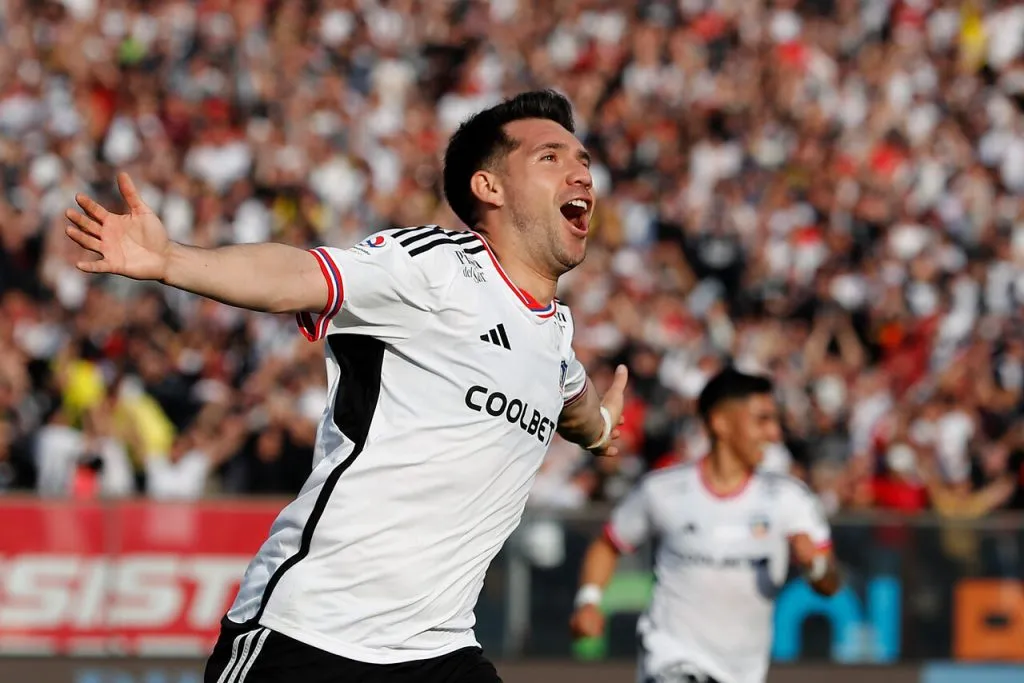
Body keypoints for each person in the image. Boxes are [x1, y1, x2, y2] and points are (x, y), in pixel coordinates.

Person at [65, 90, 628, 683]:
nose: (581, 173)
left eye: (583, 160)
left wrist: (601, 430)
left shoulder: (555, 338)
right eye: (551, 157)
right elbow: (295, 277)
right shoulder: (433, 269)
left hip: (438, 651)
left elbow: (575, 404)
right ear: (489, 187)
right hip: (311, 635)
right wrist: (172, 260)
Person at [570, 368, 839, 683]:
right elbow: (608, 543)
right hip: (670, 662)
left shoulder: (790, 499)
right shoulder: (663, 490)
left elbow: (830, 583)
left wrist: (816, 566)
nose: (774, 434)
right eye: (761, 420)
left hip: (743, 673)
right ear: (720, 423)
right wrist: (588, 601)